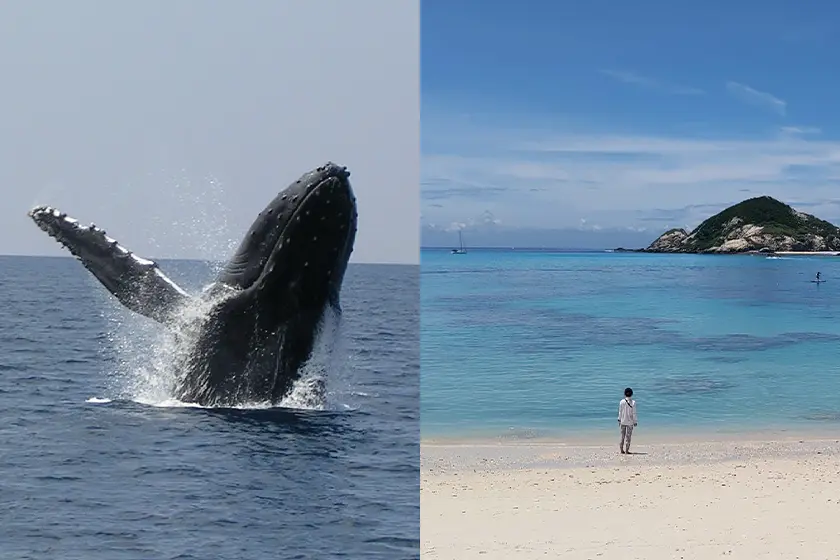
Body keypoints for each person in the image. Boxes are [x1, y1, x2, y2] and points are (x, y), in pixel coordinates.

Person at [617, 387, 638, 454]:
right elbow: (634, 413)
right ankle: (627, 450)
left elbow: (620, 412)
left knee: (622, 436)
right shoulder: (633, 402)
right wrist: (635, 421)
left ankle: (621, 450)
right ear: (631, 394)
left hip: (623, 421)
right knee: (628, 437)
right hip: (630, 422)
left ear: (624, 394)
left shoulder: (621, 402)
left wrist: (619, 419)